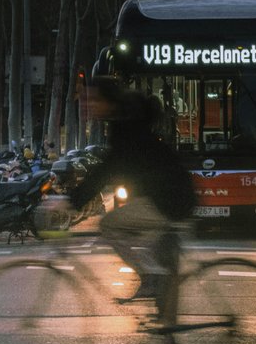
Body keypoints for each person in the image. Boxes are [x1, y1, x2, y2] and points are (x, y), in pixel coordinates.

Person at [63, 78, 196, 305]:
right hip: (170, 195)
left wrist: (71, 202)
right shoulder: (129, 119)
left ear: (107, 101)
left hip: (167, 200)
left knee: (109, 225)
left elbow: (109, 167)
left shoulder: (126, 125)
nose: (88, 105)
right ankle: (167, 330)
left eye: (93, 100)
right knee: (163, 260)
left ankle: (150, 275)